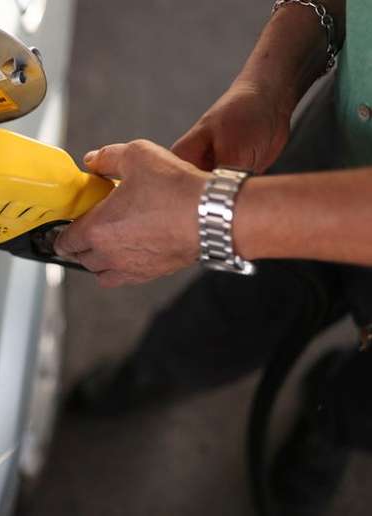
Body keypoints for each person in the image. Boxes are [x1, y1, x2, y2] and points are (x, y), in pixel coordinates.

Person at [54, 1, 372, 514]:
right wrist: (268, 82)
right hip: (344, 136)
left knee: (360, 406)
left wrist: (211, 215)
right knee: (227, 314)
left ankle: (329, 430)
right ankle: (154, 372)